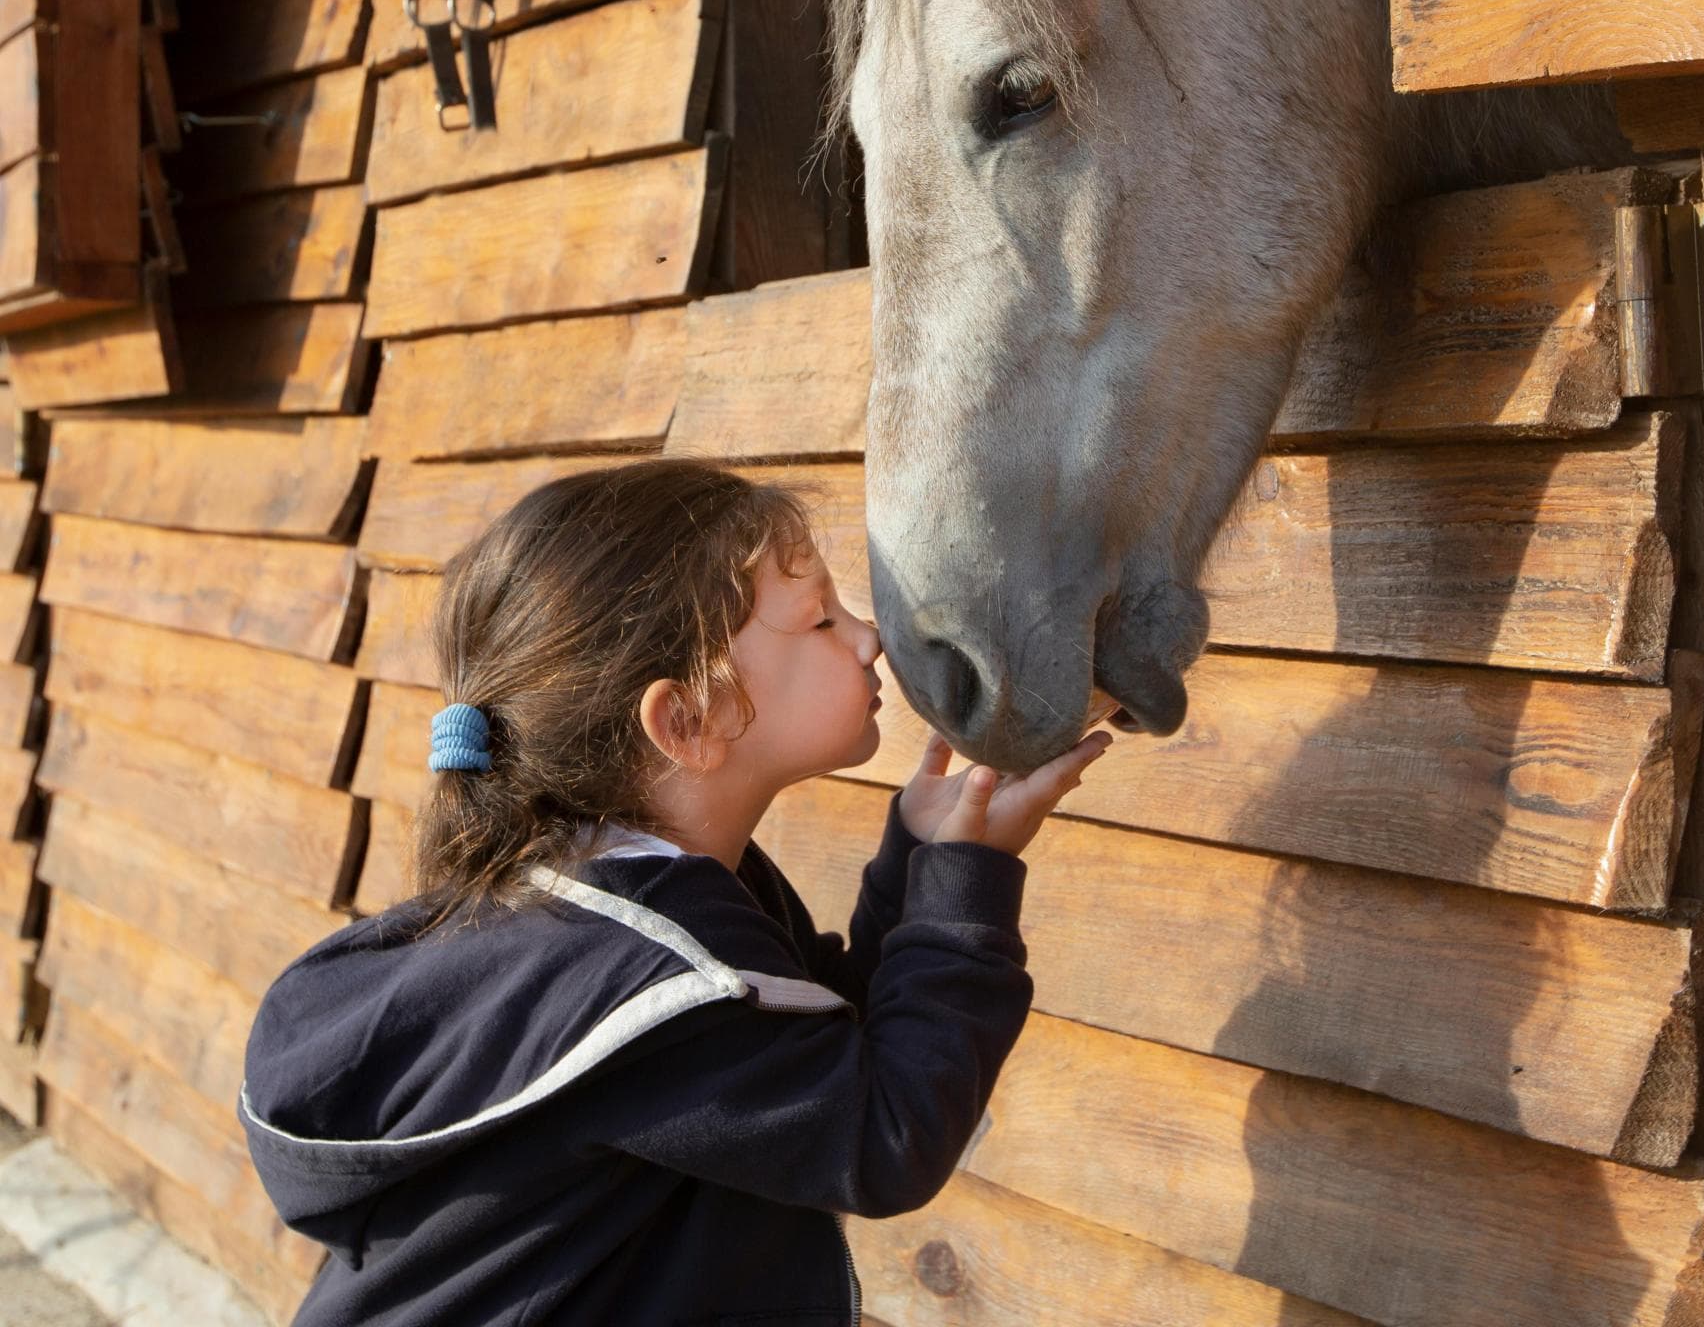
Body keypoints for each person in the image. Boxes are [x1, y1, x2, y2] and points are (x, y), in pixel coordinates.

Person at [240, 458, 1115, 1325]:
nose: (868, 636)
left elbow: (822, 1047)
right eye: (818, 621)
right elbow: (882, 1135)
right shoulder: (650, 975)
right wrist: (968, 893)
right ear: (687, 721)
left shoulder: (640, 898)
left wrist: (926, 858)